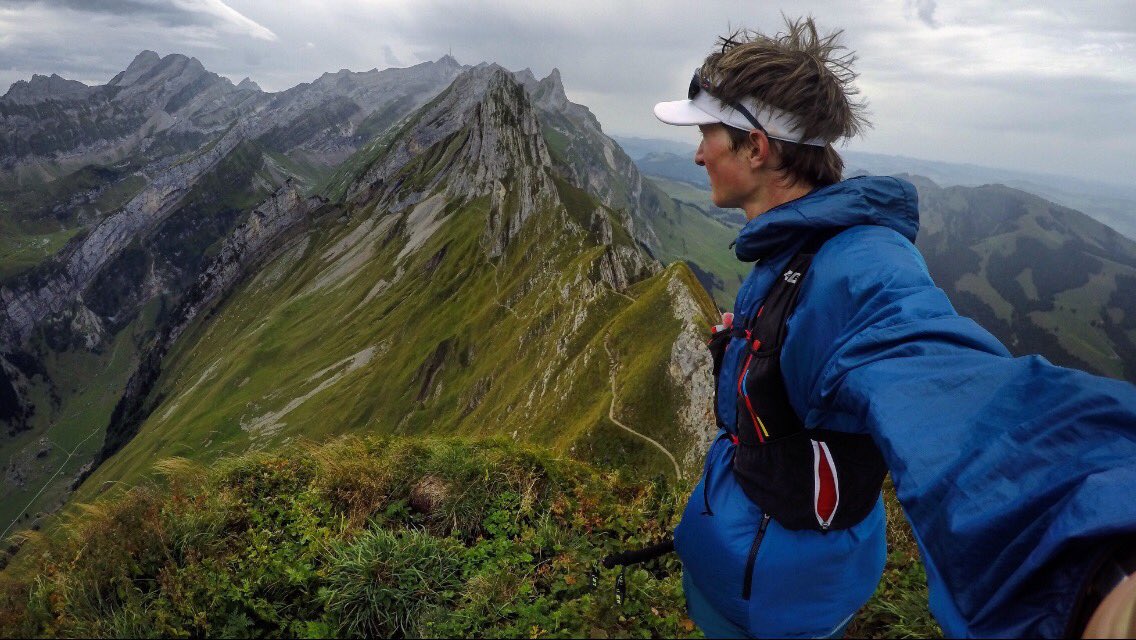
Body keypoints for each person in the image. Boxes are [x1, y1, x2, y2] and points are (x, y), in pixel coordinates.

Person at [652, 17, 1136, 639]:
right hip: (756, 570)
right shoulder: (794, 248)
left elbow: (939, 382)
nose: (696, 153)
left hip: (778, 600)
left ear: (756, 147)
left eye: (707, 134)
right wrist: (750, 348)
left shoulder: (858, 266)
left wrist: (1097, 571)